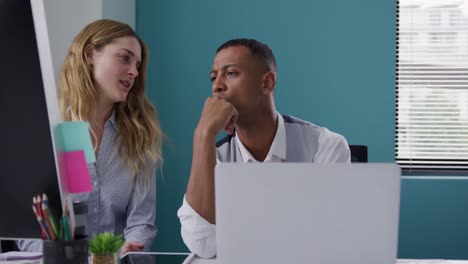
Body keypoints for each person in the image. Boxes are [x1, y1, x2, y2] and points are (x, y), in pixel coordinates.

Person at [177, 38, 351, 258]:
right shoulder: (216, 157)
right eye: (214, 77)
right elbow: (202, 245)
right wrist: (203, 135)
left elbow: (329, 239)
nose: (217, 86)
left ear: (267, 83)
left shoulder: (324, 147)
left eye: (230, 73)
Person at [18, 19, 163, 254]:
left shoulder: (140, 135)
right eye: (125, 58)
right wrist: (67, 255)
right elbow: (26, 231)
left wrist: (129, 248)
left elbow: (141, 224)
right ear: (90, 54)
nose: (134, 72)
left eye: (137, 65)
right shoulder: (51, 131)